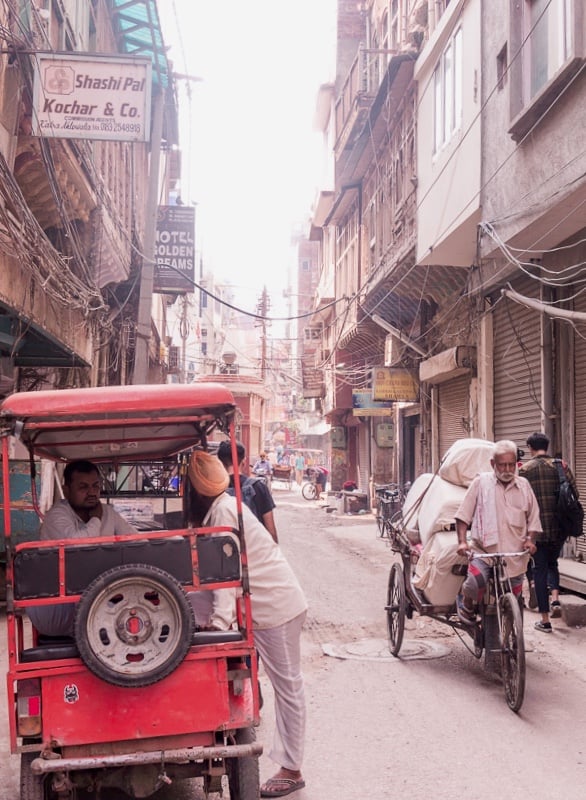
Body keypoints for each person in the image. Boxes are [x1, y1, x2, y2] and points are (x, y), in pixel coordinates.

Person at [187, 451, 307, 798]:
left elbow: (226, 578)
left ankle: (292, 768)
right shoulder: (220, 508)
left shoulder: (223, 513)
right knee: (285, 686)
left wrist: (218, 624)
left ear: (196, 492)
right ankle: (290, 763)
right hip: (265, 605)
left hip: (275, 606)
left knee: (288, 687)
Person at [28, 459, 136, 637]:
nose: (92, 492)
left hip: (91, 598)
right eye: (83, 487)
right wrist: (96, 520)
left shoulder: (107, 512)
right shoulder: (57, 515)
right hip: (55, 606)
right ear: (67, 490)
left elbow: (135, 540)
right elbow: (79, 548)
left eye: (95, 486)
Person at [454, 440, 539, 626]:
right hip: (484, 552)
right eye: (502, 464)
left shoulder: (524, 485)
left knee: (514, 599)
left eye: (511, 464)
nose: (507, 469)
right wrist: (462, 542)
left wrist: (530, 540)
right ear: (493, 464)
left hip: (514, 555)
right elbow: (462, 516)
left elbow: (534, 519)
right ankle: (466, 604)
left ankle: (511, 640)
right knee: (475, 583)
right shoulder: (480, 483)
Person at [519, 432, 577, 632]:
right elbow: (574, 494)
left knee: (539, 570)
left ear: (530, 448)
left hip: (536, 531)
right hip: (559, 529)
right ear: (547, 445)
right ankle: (555, 599)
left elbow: (519, 502)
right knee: (553, 563)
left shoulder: (525, 470)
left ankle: (545, 620)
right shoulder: (561, 466)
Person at [217, 440, 278, 542]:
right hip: (256, 552)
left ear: (220, 463)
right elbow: (270, 530)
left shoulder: (215, 490)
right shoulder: (259, 487)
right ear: (244, 462)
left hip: (227, 554)